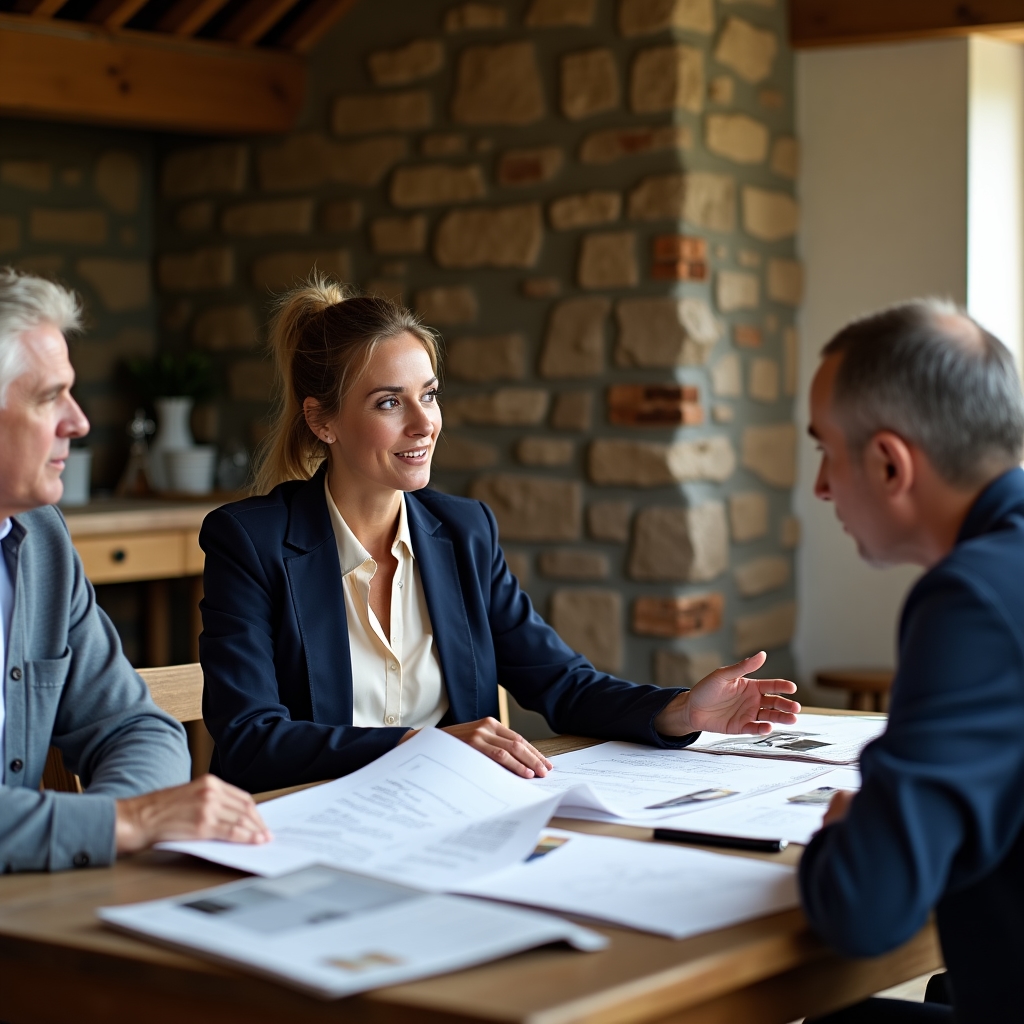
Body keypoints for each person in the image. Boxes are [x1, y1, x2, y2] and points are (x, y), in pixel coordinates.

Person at [199, 278, 801, 793]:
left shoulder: (463, 533)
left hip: (448, 820)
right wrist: (426, 745)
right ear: (321, 420)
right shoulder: (250, 542)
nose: (423, 423)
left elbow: (562, 683)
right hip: (304, 831)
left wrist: (679, 711)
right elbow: (253, 741)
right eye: (389, 403)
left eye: (429, 395)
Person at [0, 268, 269, 873]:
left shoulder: (40, 538)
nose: (80, 422)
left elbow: (136, 728)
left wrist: (104, 829)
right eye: (49, 397)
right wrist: (125, 822)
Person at [800, 299, 1024, 1023]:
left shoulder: (972, 600)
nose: (822, 487)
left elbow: (866, 908)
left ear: (890, 462)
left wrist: (842, 835)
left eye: (825, 450)